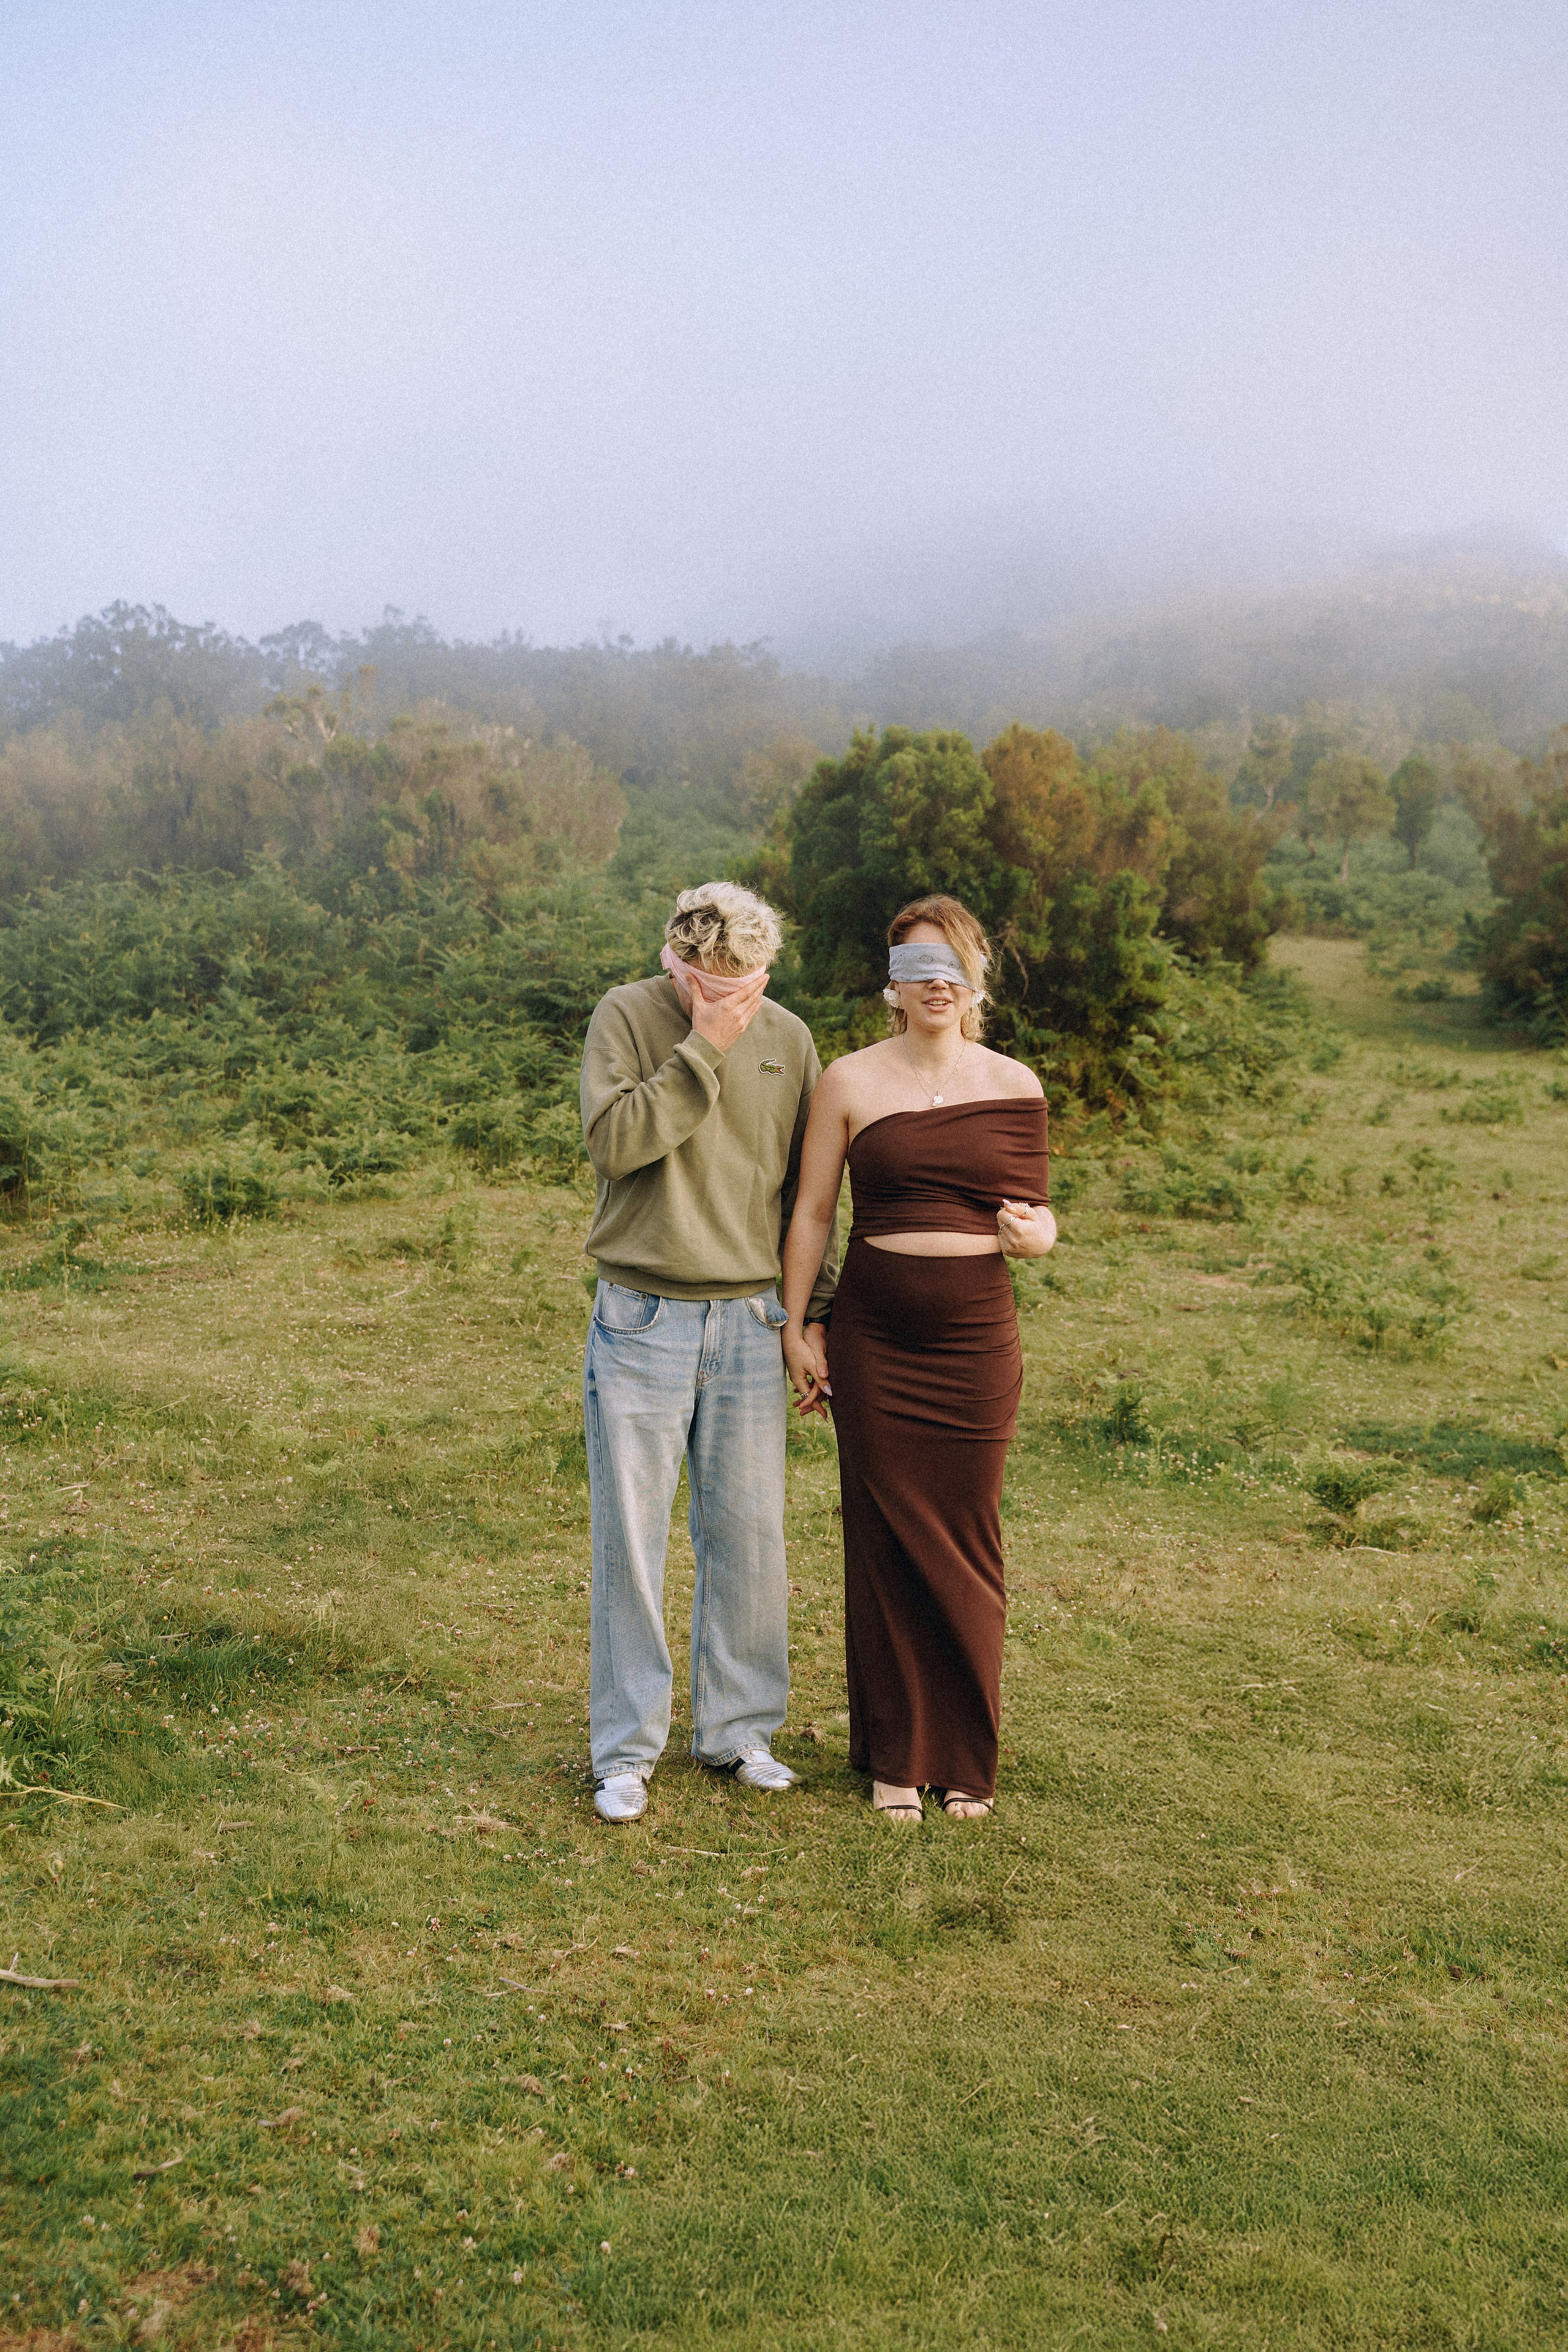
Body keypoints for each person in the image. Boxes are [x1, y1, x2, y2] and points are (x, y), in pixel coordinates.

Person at [780, 895, 1055, 1822]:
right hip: (875, 1341)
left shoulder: (1015, 1084)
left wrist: (1037, 1238)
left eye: (952, 965)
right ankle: (897, 1754)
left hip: (977, 1343)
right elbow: (814, 1213)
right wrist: (796, 1324)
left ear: (974, 979)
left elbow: (1041, 1215)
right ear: (891, 988)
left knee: (970, 1541)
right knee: (884, 1545)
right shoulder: (850, 1081)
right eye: (914, 968)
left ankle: (967, 1756)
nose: (935, 982)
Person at [579, 881, 837, 1824]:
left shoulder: (795, 1037)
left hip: (752, 1320)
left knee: (748, 1536)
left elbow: (811, 1194)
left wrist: (815, 1319)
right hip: (642, 1315)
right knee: (632, 1541)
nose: (731, 1004)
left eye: (746, 988)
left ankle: (739, 1733)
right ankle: (626, 1752)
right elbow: (614, 1144)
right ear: (673, 964)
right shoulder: (627, 1015)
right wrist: (703, 1050)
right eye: (707, 987)